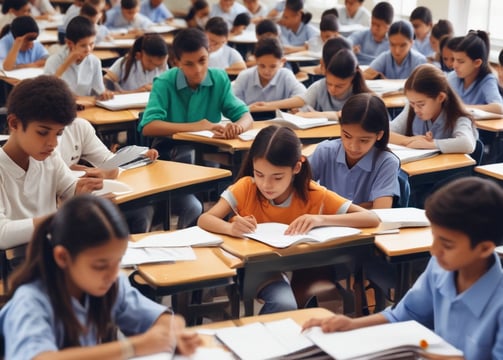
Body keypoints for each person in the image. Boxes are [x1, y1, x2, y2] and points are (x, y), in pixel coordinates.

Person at [303, 176, 503, 360]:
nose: (434, 250)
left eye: (447, 244)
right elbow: (404, 315)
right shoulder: (440, 269)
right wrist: (352, 325)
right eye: (434, 238)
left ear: (485, 248)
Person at [198, 125, 379, 313]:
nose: (266, 184)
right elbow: (205, 219)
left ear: (297, 167)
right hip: (262, 271)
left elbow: (371, 218)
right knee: (284, 304)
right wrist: (230, 229)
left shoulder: (312, 192)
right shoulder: (246, 188)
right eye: (259, 174)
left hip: (303, 269)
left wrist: (321, 220)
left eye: (277, 177)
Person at [0, 195, 202, 358]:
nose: (113, 273)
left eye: (118, 261)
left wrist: (172, 334)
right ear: (62, 257)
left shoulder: (110, 284)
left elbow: (163, 319)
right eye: (100, 265)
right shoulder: (30, 301)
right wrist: (132, 347)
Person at [138, 28, 252, 228]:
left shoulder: (219, 78)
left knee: (237, 175)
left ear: (209, 54)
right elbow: (148, 126)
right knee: (191, 198)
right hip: (169, 151)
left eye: (202, 60)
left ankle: (225, 225)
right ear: (176, 62)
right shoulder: (164, 83)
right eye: (189, 64)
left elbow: (245, 115)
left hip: (207, 152)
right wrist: (196, 126)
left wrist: (237, 127)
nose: (198, 69)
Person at [0, 75, 103, 250]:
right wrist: (59, 218)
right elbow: (2, 234)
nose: (53, 143)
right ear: (14, 123)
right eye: (42, 132)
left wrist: (82, 191)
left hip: (50, 254)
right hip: (13, 268)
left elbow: (70, 188)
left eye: (59, 133)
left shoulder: (50, 158)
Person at [57, 117, 158, 233]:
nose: (53, 141)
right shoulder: (42, 145)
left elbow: (108, 161)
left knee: (141, 209)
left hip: (78, 195)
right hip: (59, 207)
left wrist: (105, 172)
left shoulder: (77, 126)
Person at [311, 93, 399, 209]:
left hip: (366, 227)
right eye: (347, 136)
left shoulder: (387, 162)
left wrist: (334, 208)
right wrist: (364, 207)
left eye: (363, 140)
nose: (353, 147)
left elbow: (380, 213)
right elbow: (298, 192)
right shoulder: (325, 151)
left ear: (379, 135)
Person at [250, 48, 371, 121]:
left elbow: (347, 117)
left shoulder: (363, 96)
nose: (332, 89)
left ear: (353, 78)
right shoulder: (320, 86)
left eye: (340, 86)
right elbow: (300, 111)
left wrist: (317, 115)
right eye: (329, 83)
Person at [390, 64, 478, 154]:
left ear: (440, 97)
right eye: (412, 103)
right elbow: (385, 132)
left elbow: (467, 144)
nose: (416, 109)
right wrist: (408, 140)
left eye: (421, 104)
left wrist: (430, 144)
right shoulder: (412, 108)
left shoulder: (457, 116)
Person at [44, 16, 114, 100]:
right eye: (83, 45)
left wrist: (104, 94)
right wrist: (67, 63)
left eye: (92, 44)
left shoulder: (95, 62)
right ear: (69, 43)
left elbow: (100, 90)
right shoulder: (53, 61)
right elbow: (47, 90)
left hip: (84, 107)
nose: (88, 49)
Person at [232, 37, 305, 105]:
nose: (266, 71)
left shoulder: (286, 75)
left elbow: (304, 98)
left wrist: (266, 106)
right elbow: (232, 103)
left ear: (282, 62)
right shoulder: (245, 76)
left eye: (273, 66)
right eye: (262, 66)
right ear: (255, 60)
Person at [448, 30, 503, 114]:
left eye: (461, 61)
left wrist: (463, 107)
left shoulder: (487, 80)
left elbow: (499, 108)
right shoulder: (453, 77)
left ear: (477, 63)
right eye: (454, 59)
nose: (454, 65)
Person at [348, 1, 393, 66]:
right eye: (372, 23)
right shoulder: (364, 34)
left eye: (378, 26)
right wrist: (350, 49)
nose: (373, 29)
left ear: (388, 26)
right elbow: (348, 41)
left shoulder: (393, 43)